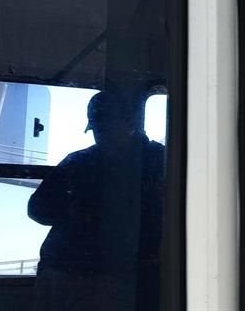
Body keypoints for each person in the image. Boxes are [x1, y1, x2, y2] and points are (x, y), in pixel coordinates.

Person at [28, 91, 165, 311]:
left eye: (105, 127)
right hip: (101, 272)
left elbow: (38, 210)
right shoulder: (163, 160)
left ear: (129, 122)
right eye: (98, 129)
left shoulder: (78, 161)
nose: (100, 135)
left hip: (81, 270)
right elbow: (37, 209)